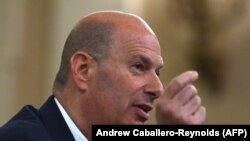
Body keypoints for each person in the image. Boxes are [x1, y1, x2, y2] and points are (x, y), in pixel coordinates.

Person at [0, 10, 206, 141]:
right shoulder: (24, 137)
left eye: (158, 72)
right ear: (83, 70)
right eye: (138, 67)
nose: (158, 88)